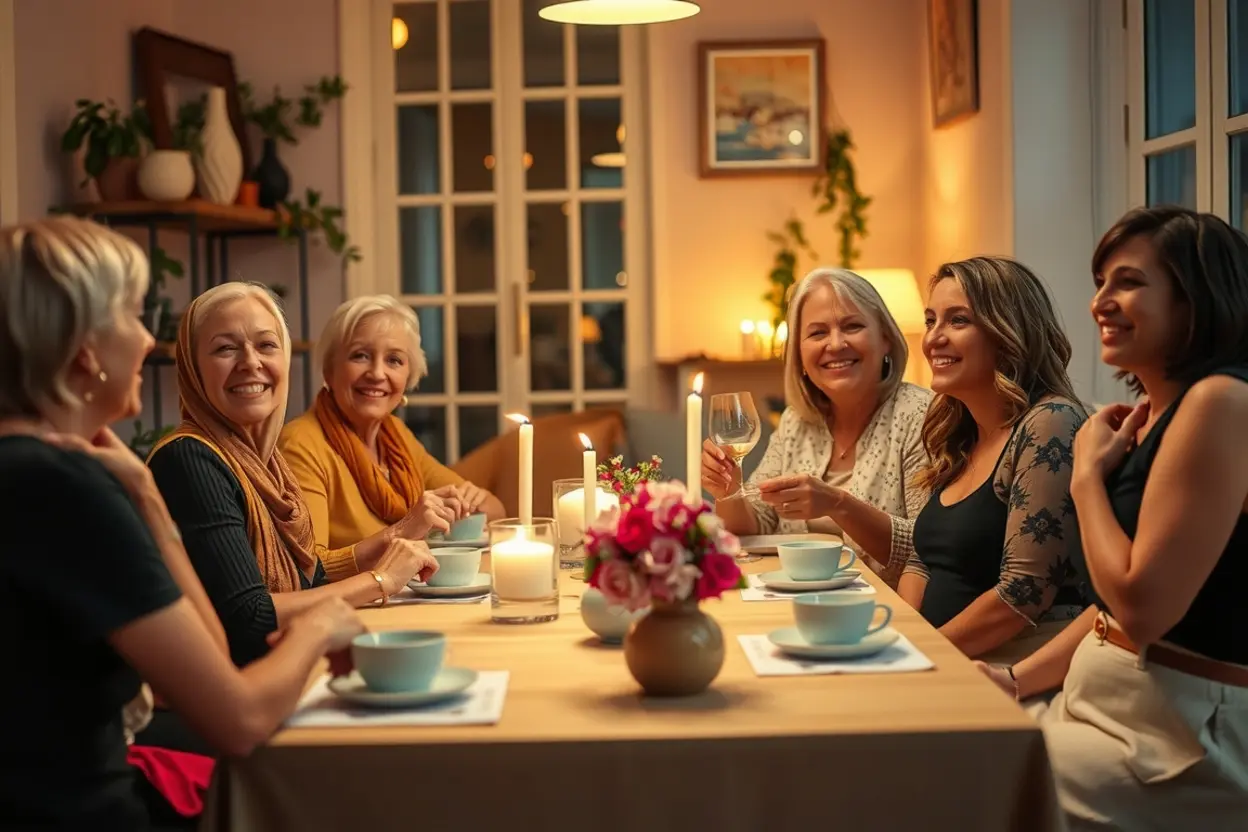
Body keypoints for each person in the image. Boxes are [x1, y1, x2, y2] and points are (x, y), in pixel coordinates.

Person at [0, 217, 367, 830]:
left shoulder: (42, 470)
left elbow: (213, 652)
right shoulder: (60, 488)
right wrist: (320, 626)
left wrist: (146, 497)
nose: (149, 340)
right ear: (85, 348)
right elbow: (240, 719)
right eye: (131, 315)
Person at [977, 207, 1248, 830]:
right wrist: (1014, 680)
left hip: (1182, 738)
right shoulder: (1149, 417)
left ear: (1196, 299)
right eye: (1100, 282)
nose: (1100, 302)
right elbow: (1109, 614)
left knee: (950, 776)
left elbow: (1142, 610)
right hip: (1106, 703)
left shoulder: (1222, 402)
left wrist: (1086, 479)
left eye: (1128, 282)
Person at [147, 283, 442, 668]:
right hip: (247, 685)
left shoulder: (264, 461)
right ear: (192, 367)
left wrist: (390, 541)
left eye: (266, 345)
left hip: (289, 666)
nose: (250, 362)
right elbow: (249, 618)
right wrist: (381, 580)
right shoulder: (189, 459)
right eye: (225, 348)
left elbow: (309, 579)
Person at [900, 256, 1087, 662]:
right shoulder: (960, 431)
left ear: (1008, 332)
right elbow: (923, 560)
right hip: (945, 659)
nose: (933, 338)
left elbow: (1024, 591)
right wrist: (901, 638)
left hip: (1010, 666)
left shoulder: (1050, 422)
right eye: (931, 321)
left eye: (958, 320)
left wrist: (919, 655)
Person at [702, 268, 933, 588]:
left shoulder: (920, 415)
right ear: (799, 353)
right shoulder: (796, 421)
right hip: (794, 598)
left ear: (885, 339)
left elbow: (929, 548)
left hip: (878, 607)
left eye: (852, 326)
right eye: (817, 333)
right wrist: (728, 490)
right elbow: (755, 524)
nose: (835, 344)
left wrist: (839, 504)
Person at [279, 295, 504, 552]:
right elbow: (309, 564)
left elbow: (493, 511)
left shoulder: (395, 435)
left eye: (394, 360)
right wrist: (406, 529)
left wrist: (475, 501)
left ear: (409, 375)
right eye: (360, 356)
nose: (377, 373)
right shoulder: (300, 444)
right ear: (329, 370)